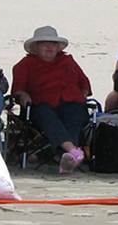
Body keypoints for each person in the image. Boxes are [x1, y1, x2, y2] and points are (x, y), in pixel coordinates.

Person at [11, 26, 93, 174]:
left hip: (71, 102)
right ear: (36, 47)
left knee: (75, 114)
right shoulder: (25, 65)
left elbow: (84, 82)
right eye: (44, 43)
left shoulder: (68, 61)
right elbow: (17, 90)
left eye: (53, 44)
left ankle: (65, 156)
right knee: (46, 115)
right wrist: (23, 94)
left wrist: (83, 93)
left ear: (58, 47)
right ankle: (72, 151)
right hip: (41, 104)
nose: (49, 47)